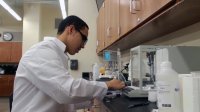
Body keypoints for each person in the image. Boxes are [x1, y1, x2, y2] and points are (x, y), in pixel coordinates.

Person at [11, 15, 125, 112]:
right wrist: (107, 85)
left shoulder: (57, 54)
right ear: (71, 30)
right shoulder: (41, 51)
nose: (83, 45)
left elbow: (60, 99)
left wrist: (91, 99)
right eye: (84, 39)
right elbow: (66, 91)